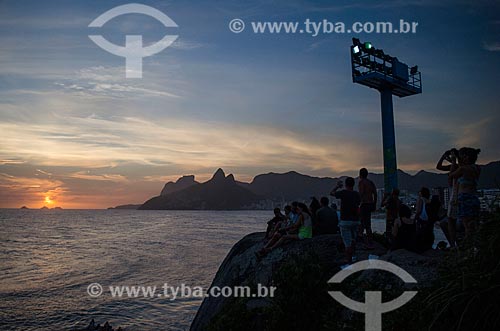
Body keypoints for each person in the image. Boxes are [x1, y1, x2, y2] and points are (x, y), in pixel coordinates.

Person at [449, 147, 481, 238]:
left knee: (467, 226)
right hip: (474, 197)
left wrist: (453, 161)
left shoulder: (463, 169)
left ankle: (468, 248)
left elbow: (451, 175)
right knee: (474, 224)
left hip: (464, 198)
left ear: (466, 157)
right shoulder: (477, 168)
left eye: (462, 156)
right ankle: (476, 247)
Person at [330, 177, 361, 264]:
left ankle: (349, 261)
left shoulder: (343, 193)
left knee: (347, 243)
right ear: (353, 184)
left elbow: (331, 193)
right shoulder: (356, 194)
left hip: (345, 221)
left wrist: (337, 186)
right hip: (355, 220)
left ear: (346, 184)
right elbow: (358, 205)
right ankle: (354, 257)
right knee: (353, 240)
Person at [436, 148, 460, 247]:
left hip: (457, 197)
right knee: (446, 223)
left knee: (453, 223)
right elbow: (438, 166)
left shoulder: (460, 167)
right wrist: (444, 156)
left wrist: (452, 160)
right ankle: (453, 245)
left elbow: (451, 175)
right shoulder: (454, 166)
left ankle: (455, 245)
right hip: (452, 195)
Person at [358, 168, 377, 248]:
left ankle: (364, 241)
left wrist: (358, 203)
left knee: (361, 223)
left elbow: (361, 194)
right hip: (370, 204)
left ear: (360, 175)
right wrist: (374, 204)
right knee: (367, 224)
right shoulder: (370, 182)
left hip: (364, 204)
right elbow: (375, 194)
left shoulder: (361, 182)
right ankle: (369, 242)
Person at [415, 187, 435, 252]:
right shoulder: (429, 200)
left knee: (419, 234)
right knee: (429, 233)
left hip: (422, 219)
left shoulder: (420, 199)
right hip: (429, 221)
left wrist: (414, 218)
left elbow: (418, 211)